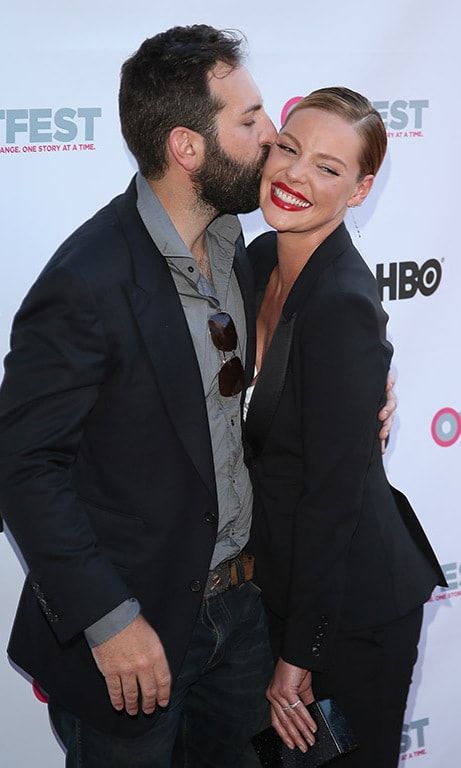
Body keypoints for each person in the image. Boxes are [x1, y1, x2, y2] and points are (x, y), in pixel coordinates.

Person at [0, 27, 394, 766]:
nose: (272, 133)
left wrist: (377, 375)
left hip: (243, 616)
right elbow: (22, 465)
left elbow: (313, 320)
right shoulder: (87, 280)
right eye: (248, 121)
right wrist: (107, 620)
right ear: (188, 149)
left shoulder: (235, 249)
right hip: (135, 636)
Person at [244, 87, 446, 767]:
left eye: (328, 169)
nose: (296, 175)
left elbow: (331, 500)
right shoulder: (255, 265)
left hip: (351, 614)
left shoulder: (341, 306)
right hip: (281, 587)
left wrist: (300, 655)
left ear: (359, 191)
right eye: (288, 149)